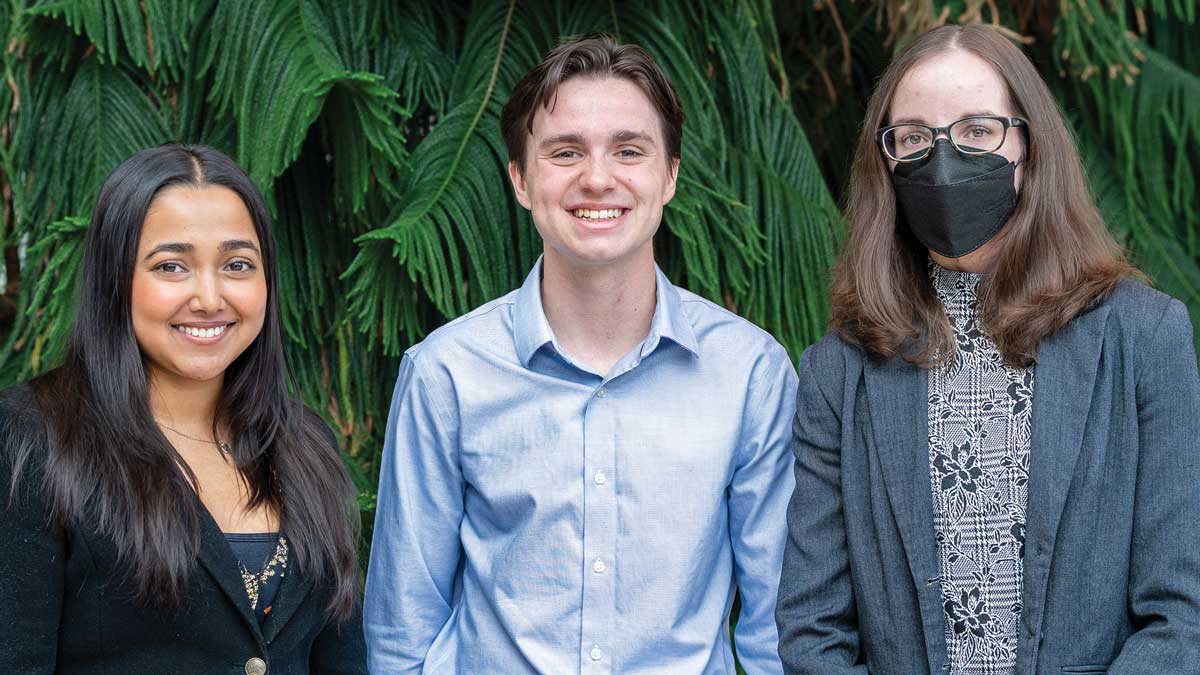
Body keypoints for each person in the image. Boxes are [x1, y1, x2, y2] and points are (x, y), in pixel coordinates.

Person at [774, 24, 1200, 675]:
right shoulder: (840, 370)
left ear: (1030, 149)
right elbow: (813, 629)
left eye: (977, 130)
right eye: (915, 137)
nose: (943, 159)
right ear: (884, 162)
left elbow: (1179, 617)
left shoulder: (1145, 338)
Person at [364, 34, 797, 674]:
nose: (598, 177)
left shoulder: (750, 375)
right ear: (519, 179)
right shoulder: (446, 374)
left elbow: (775, 631)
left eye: (629, 150)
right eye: (565, 152)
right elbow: (403, 628)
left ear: (670, 175)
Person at [0, 144, 367, 674]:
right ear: (115, 278)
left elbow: (342, 660)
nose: (210, 297)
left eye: (238, 264)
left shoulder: (303, 441)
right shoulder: (32, 438)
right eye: (172, 266)